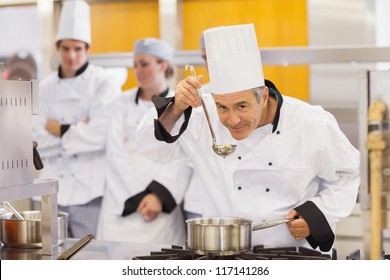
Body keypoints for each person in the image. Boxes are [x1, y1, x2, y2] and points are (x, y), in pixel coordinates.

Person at [135, 23, 361, 252]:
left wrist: (315, 215)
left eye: (241, 106)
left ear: (263, 96)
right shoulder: (201, 117)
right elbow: (149, 147)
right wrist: (175, 108)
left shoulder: (310, 122)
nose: (232, 120)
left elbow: (348, 173)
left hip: (293, 254)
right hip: (224, 255)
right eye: (222, 107)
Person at [32, 0, 121, 238]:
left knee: (90, 257)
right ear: (57, 48)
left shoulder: (104, 82)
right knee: (48, 255)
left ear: (88, 48)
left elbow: (101, 136)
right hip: (51, 190)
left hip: (90, 191)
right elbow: (35, 140)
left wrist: (57, 129)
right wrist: (80, 127)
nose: (71, 55)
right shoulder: (44, 87)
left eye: (78, 48)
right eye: (66, 48)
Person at [96, 38, 191, 245]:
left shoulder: (182, 103)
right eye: (136, 65)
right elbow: (115, 153)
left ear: (163, 65)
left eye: (144, 64)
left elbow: (185, 156)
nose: (138, 70)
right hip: (121, 202)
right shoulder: (121, 103)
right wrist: (138, 195)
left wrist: (157, 194)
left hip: (161, 206)